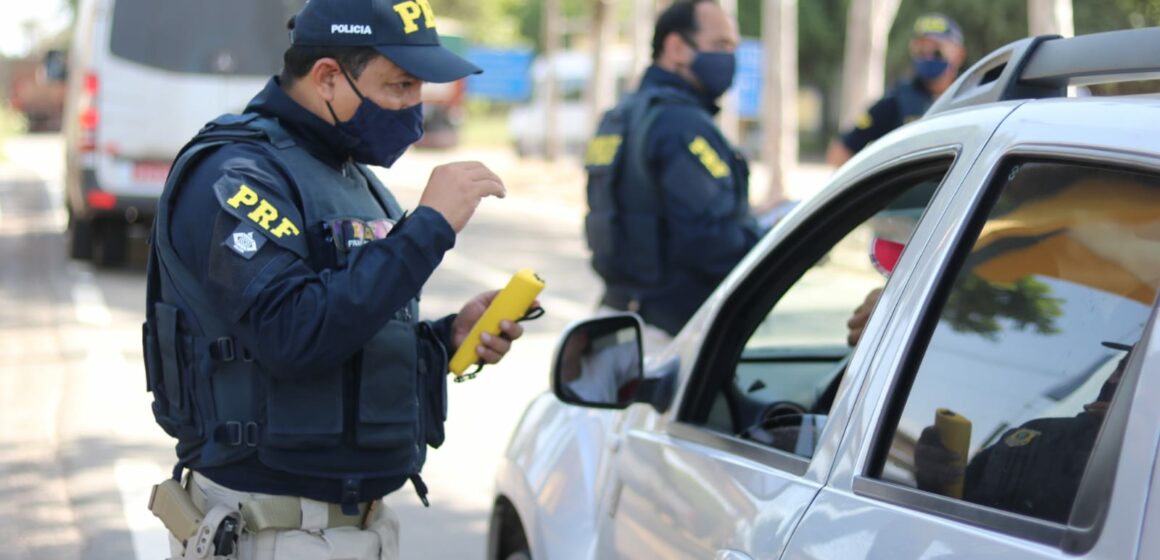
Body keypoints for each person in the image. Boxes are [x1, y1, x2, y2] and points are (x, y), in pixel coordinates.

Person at [141, 1, 526, 558]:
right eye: (399, 85)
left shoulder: (351, 177)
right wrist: (429, 229)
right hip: (270, 530)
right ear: (327, 77)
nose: (414, 108)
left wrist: (446, 341)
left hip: (357, 527)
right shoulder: (236, 172)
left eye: (419, 88)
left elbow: (354, 335)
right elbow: (290, 335)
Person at [585, 0, 762, 353]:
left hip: (614, 318)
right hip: (669, 336)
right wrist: (773, 237)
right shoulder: (682, 125)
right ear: (677, 48)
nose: (730, 59)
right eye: (721, 46)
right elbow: (711, 243)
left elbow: (645, 208)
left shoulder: (618, 117)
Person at [913, 341, 1133, 523]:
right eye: (1121, 367)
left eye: (1134, 374)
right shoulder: (1035, 433)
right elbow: (955, 512)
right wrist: (933, 481)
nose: (1115, 379)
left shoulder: (1140, 471)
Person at [826, 13, 967, 168]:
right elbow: (840, 152)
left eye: (936, 50)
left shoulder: (975, 95)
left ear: (959, 55)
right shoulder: (896, 101)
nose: (927, 56)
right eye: (920, 49)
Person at [557, 324, 642, 404]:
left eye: (566, 336)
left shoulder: (604, 360)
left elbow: (636, 338)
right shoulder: (555, 395)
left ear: (582, 339)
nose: (558, 344)